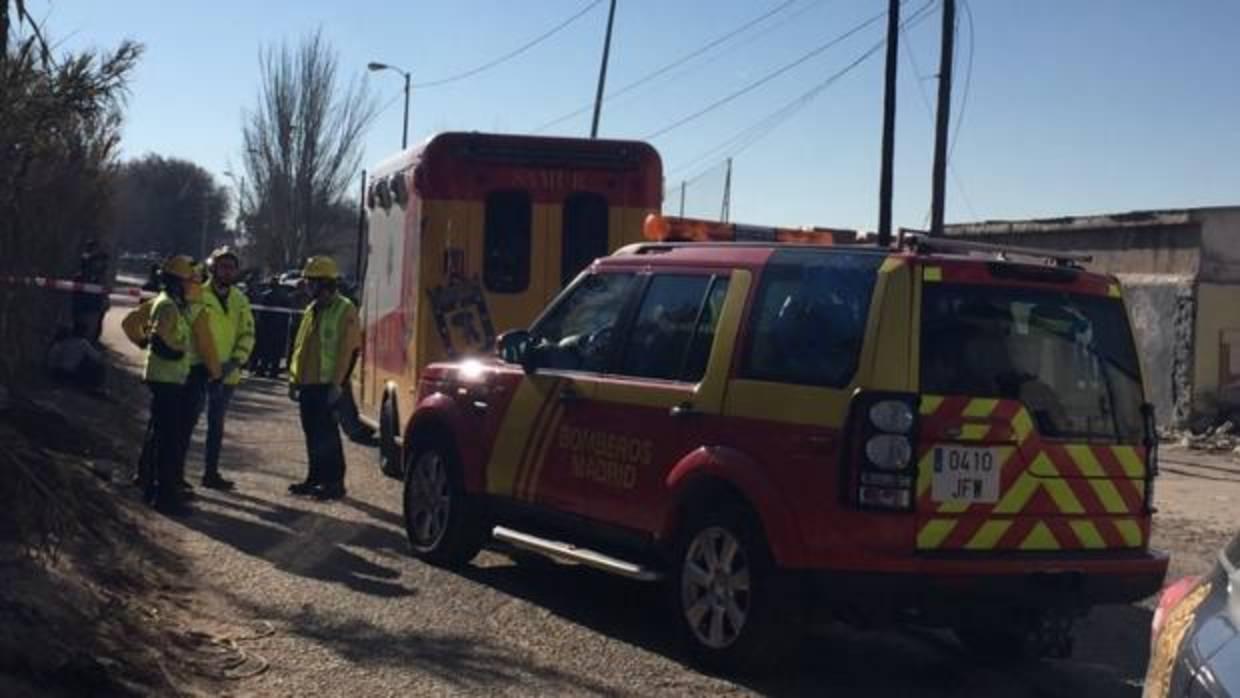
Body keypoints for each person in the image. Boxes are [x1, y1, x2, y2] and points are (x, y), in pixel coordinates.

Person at [288, 255, 360, 501]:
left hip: (329, 385)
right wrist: (294, 378)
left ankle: (334, 483)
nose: (307, 287)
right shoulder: (312, 309)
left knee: (328, 436)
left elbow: (349, 350)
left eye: (311, 282)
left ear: (324, 283)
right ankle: (315, 478)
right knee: (312, 434)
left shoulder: (345, 309)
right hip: (308, 383)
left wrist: (338, 385)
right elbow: (301, 346)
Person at [184, 246, 255, 490]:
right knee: (187, 423)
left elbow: (247, 333)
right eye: (222, 266)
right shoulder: (198, 296)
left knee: (217, 426)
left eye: (231, 267)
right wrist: (207, 363)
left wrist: (235, 361)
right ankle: (175, 473)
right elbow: (190, 332)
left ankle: (210, 473)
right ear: (213, 268)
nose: (227, 271)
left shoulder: (240, 300)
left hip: (227, 375)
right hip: (200, 371)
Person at [140, 255, 199, 516]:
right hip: (166, 379)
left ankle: (155, 490)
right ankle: (164, 496)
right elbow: (159, 339)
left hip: (170, 379)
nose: (191, 284)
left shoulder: (174, 304)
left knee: (163, 436)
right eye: (188, 280)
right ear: (177, 282)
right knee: (167, 440)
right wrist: (176, 353)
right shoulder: (168, 306)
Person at [175, 262, 223, 498]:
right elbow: (206, 345)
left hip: (166, 377)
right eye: (194, 281)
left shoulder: (164, 302)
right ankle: (171, 483)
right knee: (180, 432)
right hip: (192, 374)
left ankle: (149, 475)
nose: (198, 285)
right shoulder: (195, 309)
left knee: (162, 430)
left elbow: (131, 322)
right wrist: (216, 373)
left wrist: (144, 343)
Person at [47, 322, 106, 393]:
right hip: (69, 373)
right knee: (99, 366)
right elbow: (97, 357)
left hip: (57, 371)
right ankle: (92, 387)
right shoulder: (83, 343)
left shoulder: (65, 340)